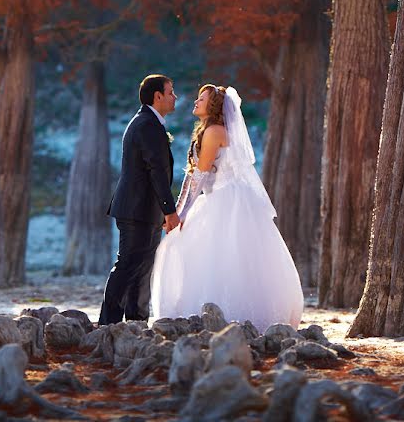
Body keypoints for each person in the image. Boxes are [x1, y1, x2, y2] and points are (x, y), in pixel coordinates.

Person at [150, 84, 304, 332]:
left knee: (225, 256)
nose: (195, 102)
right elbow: (194, 176)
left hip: (226, 199)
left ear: (213, 106)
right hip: (215, 196)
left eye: (202, 99)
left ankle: (231, 316)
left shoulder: (213, 132)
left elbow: (199, 176)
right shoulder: (208, 130)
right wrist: (178, 210)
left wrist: (181, 213)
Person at [98, 74, 181, 325]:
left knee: (142, 268)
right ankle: (108, 323)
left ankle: (136, 321)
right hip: (136, 210)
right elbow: (156, 170)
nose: (175, 97)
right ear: (157, 96)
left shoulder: (150, 123)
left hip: (146, 211)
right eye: (170, 92)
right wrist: (170, 211)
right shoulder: (146, 125)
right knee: (128, 265)